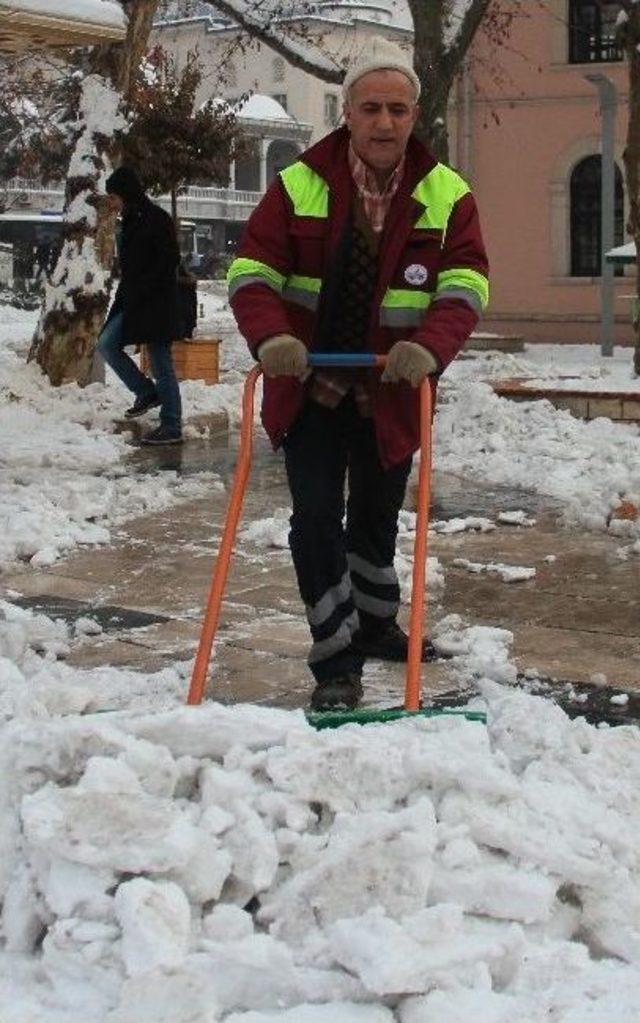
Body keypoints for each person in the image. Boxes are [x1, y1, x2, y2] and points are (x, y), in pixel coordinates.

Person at [227, 37, 489, 712]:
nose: (384, 123)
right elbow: (251, 272)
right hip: (311, 386)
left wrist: (430, 348)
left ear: (415, 116)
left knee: (375, 519)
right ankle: (335, 660)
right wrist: (272, 336)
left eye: (397, 109)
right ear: (347, 111)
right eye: (371, 107)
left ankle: (375, 624)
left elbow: (464, 285)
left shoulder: (447, 195)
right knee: (316, 519)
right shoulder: (297, 185)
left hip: (394, 389)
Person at [97, 166, 183, 445]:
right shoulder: (129, 221)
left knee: (161, 362)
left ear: (125, 193)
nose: (111, 202)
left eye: (113, 196)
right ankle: (146, 392)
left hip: (156, 302)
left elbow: (168, 261)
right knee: (107, 344)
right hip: (132, 300)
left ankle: (172, 425)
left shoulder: (156, 219)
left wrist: (145, 288)